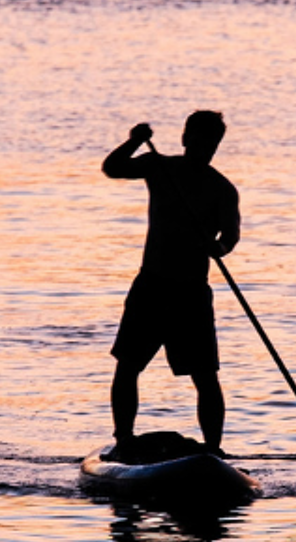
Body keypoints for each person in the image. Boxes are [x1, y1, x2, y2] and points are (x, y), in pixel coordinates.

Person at [103, 111, 241, 459]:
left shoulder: (222, 189)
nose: (204, 148)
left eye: (211, 143)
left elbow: (231, 234)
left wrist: (220, 247)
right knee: (128, 366)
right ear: (185, 139)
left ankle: (213, 449)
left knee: (206, 376)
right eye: (198, 140)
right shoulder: (159, 166)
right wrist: (135, 141)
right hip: (151, 286)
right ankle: (124, 440)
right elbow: (113, 168)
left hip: (191, 293)